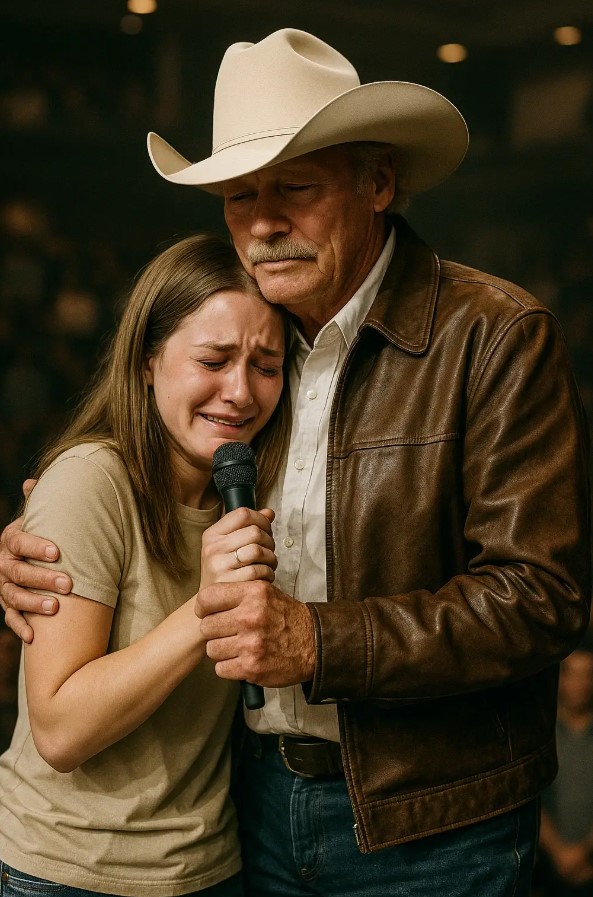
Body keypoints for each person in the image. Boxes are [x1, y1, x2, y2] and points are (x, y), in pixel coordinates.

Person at [1, 27, 591, 897]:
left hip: (429, 821)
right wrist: (50, 529)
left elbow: (540, 597)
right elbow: (142, 512)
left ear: (378, 183)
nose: (263, 222)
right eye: (239, 196)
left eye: (297, 189)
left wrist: (316, 639)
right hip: (248, 806)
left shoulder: (492, 336)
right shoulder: (257, 341)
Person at [0, 232, 294, 897]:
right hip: (70, 871)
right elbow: (60, 732)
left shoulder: (250, 491)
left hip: (209, 866)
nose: (240, 391)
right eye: (213, 359)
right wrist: (206, 608)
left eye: (267, 366)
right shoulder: (92, 481)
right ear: (146, 361)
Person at [535, 636, 593, 896]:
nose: (580, 684)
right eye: (573, 674)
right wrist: (559, 852)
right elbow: (531, 794)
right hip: (544, 870)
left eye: (588, 675)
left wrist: (582, 853)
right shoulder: (540, 734)